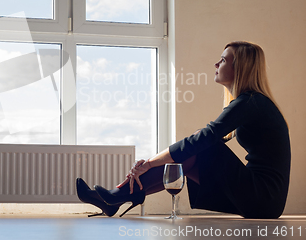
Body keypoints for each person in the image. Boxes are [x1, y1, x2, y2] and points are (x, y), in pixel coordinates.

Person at [76, 41, 291, 219]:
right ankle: (119, 196)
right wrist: (151, 163)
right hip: (263, 197)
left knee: (202, 145)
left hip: (264, 198)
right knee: (199, 146)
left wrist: (150, 162)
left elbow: (205, 138)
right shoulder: (252, 103)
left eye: (224, 60)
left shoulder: (251, 102)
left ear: (240, 68)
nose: (216, 63)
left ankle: (120, 195)